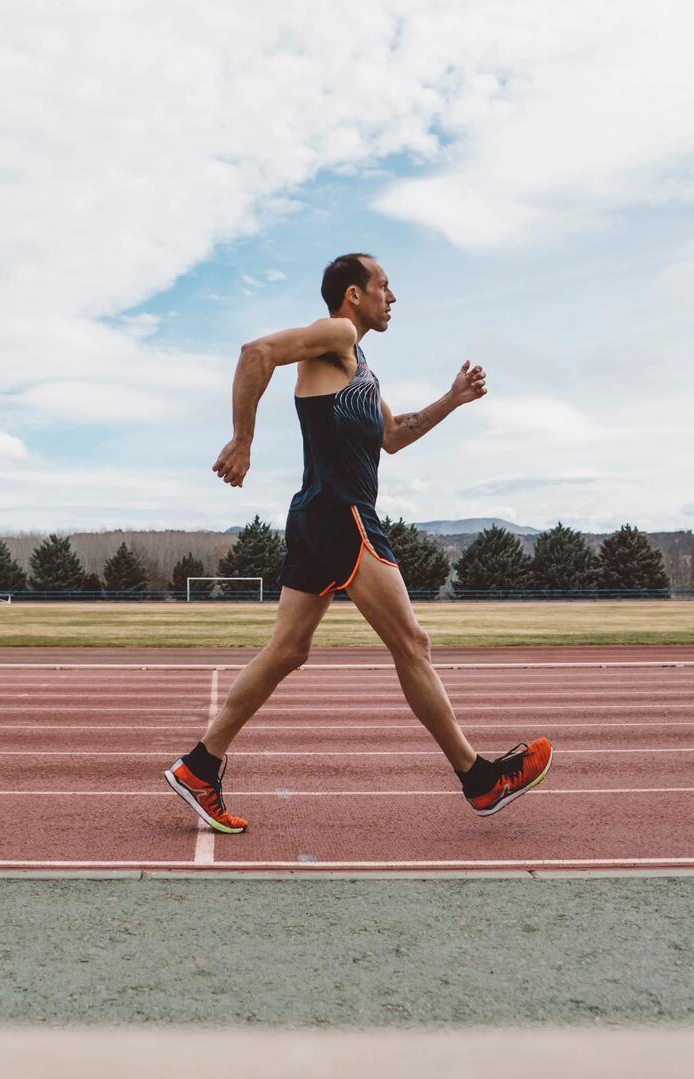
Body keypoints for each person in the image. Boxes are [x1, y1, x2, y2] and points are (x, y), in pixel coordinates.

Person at [164, 253, 552, 834]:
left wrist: (453, 399)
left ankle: (200, 766)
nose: (393, 297)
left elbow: (393, 437)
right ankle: (479, 781)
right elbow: (255, 353)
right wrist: (243, 440)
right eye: (385, 286)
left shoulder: (358, 362)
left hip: (319, 516)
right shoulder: (340, 333)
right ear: (353, 294)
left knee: (288, 652)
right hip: (341, 515)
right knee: (412, 643)